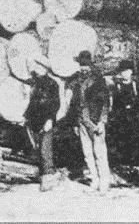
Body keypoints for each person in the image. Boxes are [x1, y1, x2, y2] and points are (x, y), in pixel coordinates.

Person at [70, 51, 111, 192]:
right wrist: (75, 123)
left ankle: (104, 181)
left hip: (95, 121)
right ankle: (95, 179)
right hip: (81, 121)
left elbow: (105, 103)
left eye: (86, 65)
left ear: (91, 66)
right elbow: (74, 105)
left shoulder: (99, 81)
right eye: (81, 65)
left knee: (99, 152)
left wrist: (102, 121)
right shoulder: (76, 82)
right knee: (87, 153)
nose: (84, 68)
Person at [23, 55, 61, 192]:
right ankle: (44, 175)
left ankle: (49, 178)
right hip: (35, 121)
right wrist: (26, 117)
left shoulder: (52, 84)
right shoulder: (36, 84)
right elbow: (32, 104)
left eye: (40, 66)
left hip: (46, 121)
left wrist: (50, 120)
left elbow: (56, 104)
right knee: (38, 150)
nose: (37, 68)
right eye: (37, 65)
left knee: (46, 150)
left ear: (45, 68)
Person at [107, 60, 139, 166]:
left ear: (131, 71)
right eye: (122, 72)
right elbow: (114, 103)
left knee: (137, 140)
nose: (125, 74)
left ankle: (137, 162)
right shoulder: (117, 86)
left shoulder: (138, 84)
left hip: (136, 117)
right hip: (122, 117)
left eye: (127, 71)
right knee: (123, 140)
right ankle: (124, 163)